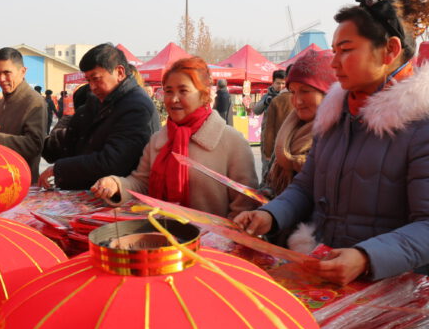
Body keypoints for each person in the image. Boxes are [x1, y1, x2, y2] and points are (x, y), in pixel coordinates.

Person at [235, 0, 429, 285]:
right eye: (334, 50)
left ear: (389, 50)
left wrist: (366, 257)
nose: (334, 62)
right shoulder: (335, 117)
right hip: (325, 273)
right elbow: (306, 186)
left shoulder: (421, 125)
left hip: (390, 293)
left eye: (346, 50)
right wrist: (271, 215)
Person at [91, 57, 257, 219]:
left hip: (212, 244)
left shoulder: (232, 141)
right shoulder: (158, 140)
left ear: (204, 94)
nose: (173, 99)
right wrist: (116, 185)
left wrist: (224, 241)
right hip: (162, 237)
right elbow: (141, 183)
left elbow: (245, 206)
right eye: (168, 91)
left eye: (183, 91)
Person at [39, 43, 160, 190]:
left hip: (119, 197)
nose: (92, 87)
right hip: (90, 192)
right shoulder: (100, 101)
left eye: (96, 79)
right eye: (88, 80)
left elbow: (114, 161)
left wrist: (59, 168)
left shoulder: (136, 106)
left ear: (120, 72)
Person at [262, 50, 336, 199]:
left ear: (328, 93)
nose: (297, 101)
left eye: (305, 91)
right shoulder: (289, 130)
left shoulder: (339, 135)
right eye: (293, 92)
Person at [0, 47, 47, 183]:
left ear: (23, 71)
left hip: (22, 184)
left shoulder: (35, 101)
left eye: (7, 73)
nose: (1, 79)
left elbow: (34, 145)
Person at [251, 69, 290, 177]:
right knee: (267, 169)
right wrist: (265, 102)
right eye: (278, 83)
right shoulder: (267, 96)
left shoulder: (289, 97)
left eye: (283, 83)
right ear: (273, 83)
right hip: (268, 138)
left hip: (283, 139)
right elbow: (256, 110)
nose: (280, 86)